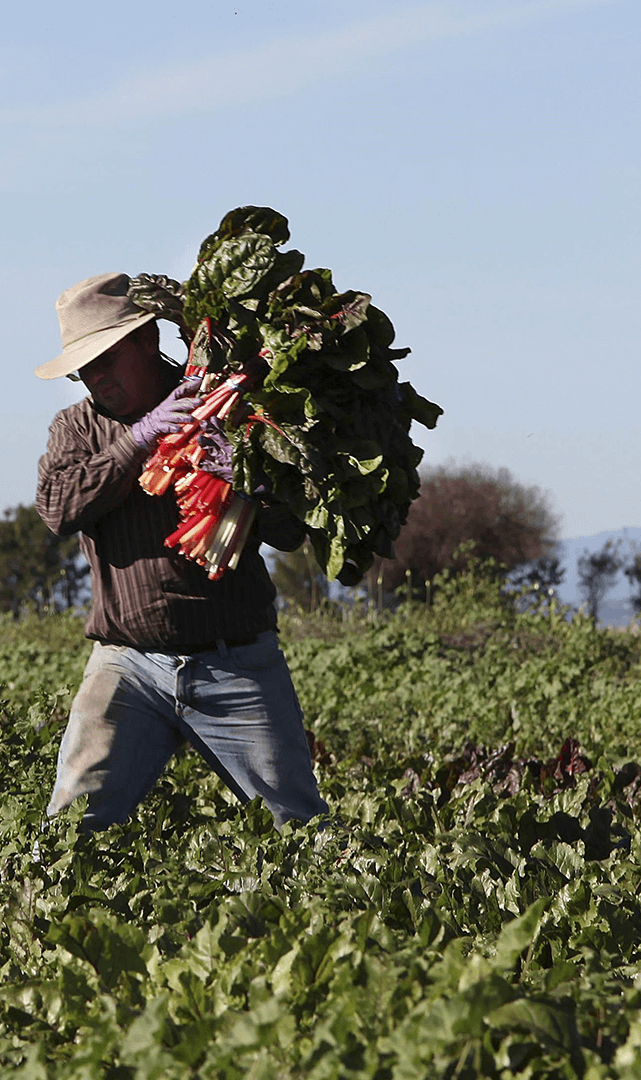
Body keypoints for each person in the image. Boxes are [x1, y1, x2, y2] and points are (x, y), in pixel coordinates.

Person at [34, 272, 329, 832]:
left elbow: (292, 532)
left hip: (237, 662)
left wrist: (244, 477)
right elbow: (58, 508)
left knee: (297, 828)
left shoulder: (235, 412)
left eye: (104, 360)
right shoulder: (77, 428)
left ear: (147, 341)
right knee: (72, 834)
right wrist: (142, 437)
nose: (93, 379)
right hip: (126, 665)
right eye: (83, 368)